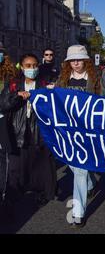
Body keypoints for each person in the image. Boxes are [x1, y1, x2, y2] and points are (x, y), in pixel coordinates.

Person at [54, 45, 105, 227]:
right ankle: (91, 184)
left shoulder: (96, 78)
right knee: (76, 168)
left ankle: (78, 212)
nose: (76, 63)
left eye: (79, 59)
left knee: (80, 169)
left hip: (88, 131)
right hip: (68, 131)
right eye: (72, 60)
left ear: (86, 61)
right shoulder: (63, 79)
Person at [1, 53, 57, 207]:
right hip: (18, 132)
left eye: (34, 66)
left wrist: (51, 93)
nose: (32, 69)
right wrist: (17, 96)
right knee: (16, 167)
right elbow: (3, 105)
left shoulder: (44, 84)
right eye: (28, 66)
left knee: (39, 166)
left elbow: (54, 109)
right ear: (22, 67)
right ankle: (14, 195)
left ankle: (42, 193)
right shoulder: (13, 84)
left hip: (39, 132)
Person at [0, 42, 17, 209]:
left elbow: (10, 100)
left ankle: (4, 196)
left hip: (3, 121)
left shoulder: (9, 76)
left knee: (3, 159)